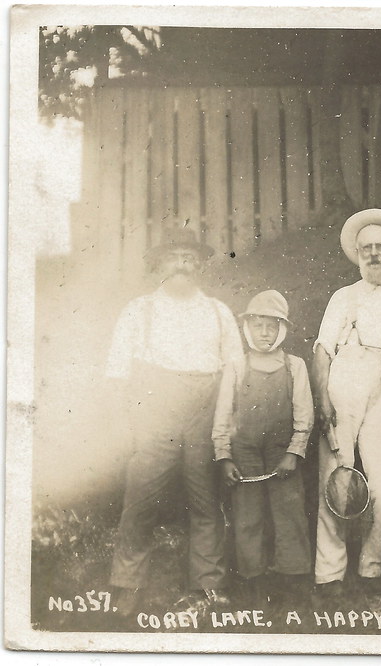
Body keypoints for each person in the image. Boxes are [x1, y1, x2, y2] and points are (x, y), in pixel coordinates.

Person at [104, 225, 244, 616]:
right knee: (140, 495)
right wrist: (122, 421)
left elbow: (236, 367)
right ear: (159, 264)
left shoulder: (217, 311)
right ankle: (126, 584)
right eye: (174, 257)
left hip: (205, 408)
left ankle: (208, 585)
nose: (182, 265)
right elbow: (116, 369)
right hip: (154, 406)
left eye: (189, 259)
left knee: (206, 498)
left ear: (199, 266)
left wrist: (228, 416)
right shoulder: (139, 309)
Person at [312, 209, 381, 597]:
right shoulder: (344, 298)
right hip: (344, 384)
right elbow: (323, 352)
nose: (374, 254)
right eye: (367, 248)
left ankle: (371, 566)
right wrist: (323, 402)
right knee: (336, 479)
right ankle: (330, 574)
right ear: (357, 254)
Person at [212, 289, 314, 607]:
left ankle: (293, 580)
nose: (265, 333)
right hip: (244, 451)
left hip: (281, 450)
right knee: (247, 515)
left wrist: (293, 452)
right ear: (248, 329)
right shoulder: (237, 367)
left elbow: (304, 414)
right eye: (258, 326)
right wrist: (224, 457)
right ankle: (253, 582)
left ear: (282, 329)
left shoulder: (294, 366)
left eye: (272, 326)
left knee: (289, 512)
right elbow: (223, 416)